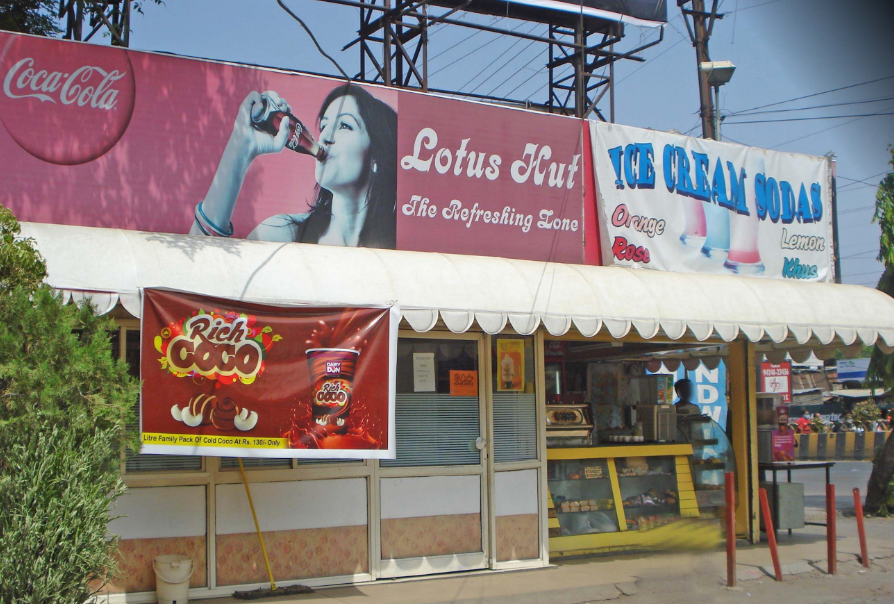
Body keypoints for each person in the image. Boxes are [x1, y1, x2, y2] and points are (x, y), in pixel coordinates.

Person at [192, 84, 398, 248]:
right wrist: (240, 152)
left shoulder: (400, 252)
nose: (325, 136)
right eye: (324, 125)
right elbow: (200, 277)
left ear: (375, 158)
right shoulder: (282, 235)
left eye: (344, 125)